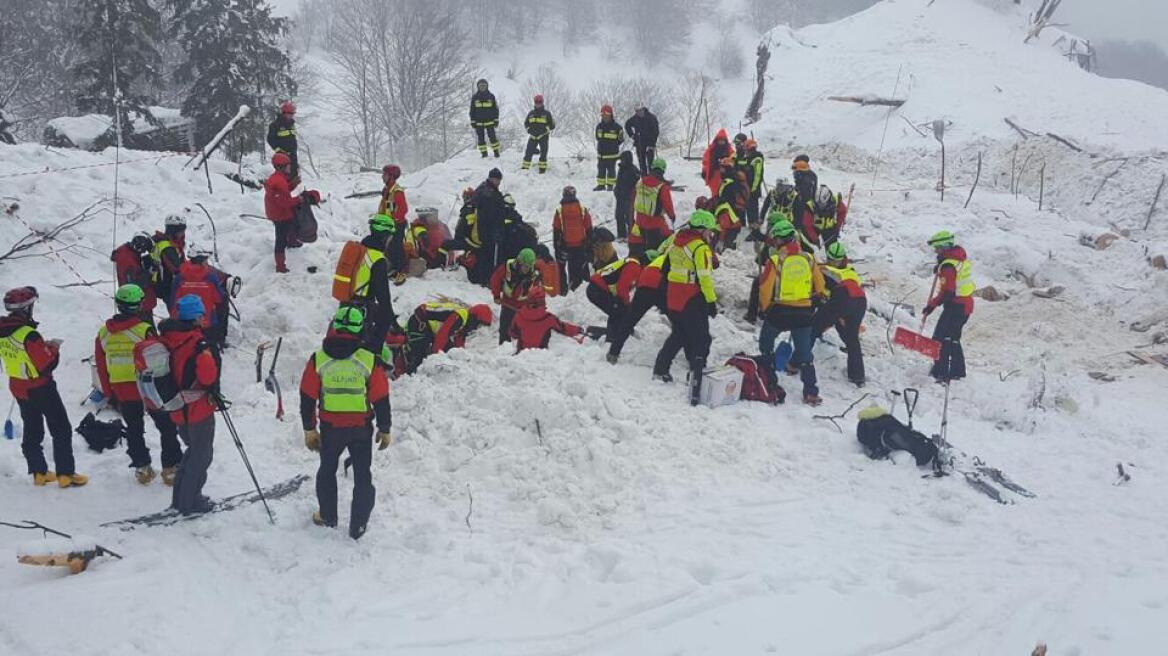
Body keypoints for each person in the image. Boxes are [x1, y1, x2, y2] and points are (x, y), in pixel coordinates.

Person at [299, 306, 392, 540]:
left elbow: (307, 397)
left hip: (331, 430)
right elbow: (381, 397)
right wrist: (385, 428)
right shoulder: (368, 360)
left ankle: (328, 516)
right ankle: (358, 526)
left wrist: (309, 429)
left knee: (327, 471)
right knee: (363, 476)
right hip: (361, 429)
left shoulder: (318, 359)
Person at [95, 284, 182, 485]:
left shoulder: (103, 333)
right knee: (166, 426)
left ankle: (142, 468)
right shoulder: (144, 330)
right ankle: (170, 468)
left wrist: (108, 392)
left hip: (121, 388)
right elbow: (159, 359)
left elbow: (101, 364)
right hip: (146, 386)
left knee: (134, 428)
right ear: (139, 304)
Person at [0, 287, 86, 488]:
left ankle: (39, 472)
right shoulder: (29, 334)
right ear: (26, 309)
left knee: (32, 428)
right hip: (40, 386)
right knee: (61, 428)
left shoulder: (3, 331)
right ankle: (66, 474)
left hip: (18, 386)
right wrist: (53, 349)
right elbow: (47, 365)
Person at [160, 294, 220, 514]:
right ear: (196, 317)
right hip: (197, 408)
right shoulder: (197, 344)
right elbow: (207, 377)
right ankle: (190, 502)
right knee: (201, 454)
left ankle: (181, 498)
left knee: (192, 450)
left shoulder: (168, 337)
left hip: (176, 407)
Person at [757, 219, 826, 406]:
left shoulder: (774, 260)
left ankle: (769, 379)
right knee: (805, 353)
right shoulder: (809, 259)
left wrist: (764, 309)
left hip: (779, 312)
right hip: (804, 313)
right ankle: (811, 392)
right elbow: (820, 286)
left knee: (766, 343)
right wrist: (815, 299)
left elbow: (764, 288)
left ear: (780, 240)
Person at [653, 211, 719, 405]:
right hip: (691, 297)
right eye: (710, 231)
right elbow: (705, 277)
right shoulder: (700, 249)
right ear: (703, 230)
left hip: (674, 295)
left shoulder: (676, 242)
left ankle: (660, 368)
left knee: (680, 335)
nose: (711, 235)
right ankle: (697, 380)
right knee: (702, 338)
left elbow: (664, 266)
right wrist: (711, 301)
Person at [606, 243, 672, 363]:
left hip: (644, 283)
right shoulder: (679, 259)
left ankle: (613, 352)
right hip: (660, 285)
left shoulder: (659, 259)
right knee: (678, 321)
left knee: (629, 320)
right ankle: (689, 354)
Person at [923, 231, 974, 383]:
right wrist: (941, 268)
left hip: (956, 306)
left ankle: (941, 373)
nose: (935, 251)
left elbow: (948, 292)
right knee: (953, 338)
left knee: (941, 338)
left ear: (944, 247)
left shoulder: (948, 266)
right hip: (965, 305)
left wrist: (932, 305)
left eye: (937, 248)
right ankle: (957, 371)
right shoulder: (958, 259)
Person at [813, 241, 867, 386]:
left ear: (843, 259)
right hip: (859, 302)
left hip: (842, 300)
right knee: (851, 338)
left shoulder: (829, 271)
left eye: (836, 260)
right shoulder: (851, 272)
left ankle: (798, 360)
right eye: (831, 260)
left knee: (814, 326)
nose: (833, 263)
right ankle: (857, 376)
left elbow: (827, 284)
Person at [399, 301, 494, 374]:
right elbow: (444, 334)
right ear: (475, 318)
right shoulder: (461, 315)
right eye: (479, 324)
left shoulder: (464, 322)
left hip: (427, 327)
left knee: (448, 350)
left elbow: (459, 342)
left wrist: (462, 360)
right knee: (419, 355)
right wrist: (435, 356)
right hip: (419, 321)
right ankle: (409, 378)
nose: (477, 328)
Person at [265, 152, 320, 273]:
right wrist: (299, 199)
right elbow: (284, 202)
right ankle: (280, 266)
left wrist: (293, 184)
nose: (290, 167)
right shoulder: (278, 182)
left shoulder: (278, 178)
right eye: (288, 165)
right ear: (281, 167)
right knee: (281, 239)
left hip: (276, 211)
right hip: (279, 214)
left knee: (291, 224)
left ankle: (292, 242)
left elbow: (283, 193)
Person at [351, 214, 399, 348]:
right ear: (384, 236)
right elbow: (383, 296)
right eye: (390, 236)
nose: (390, 240)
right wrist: (391, 321)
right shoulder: (377, 259)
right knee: (384, 320)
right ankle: (374, 353)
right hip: (364, 305)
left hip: (348, 300)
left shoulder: (359, 249)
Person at [171, 250, 231, 349]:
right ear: (202, 262)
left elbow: (174, 301)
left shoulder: (179, 278)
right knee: (209, 353)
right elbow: (219, 299)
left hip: (185, 323)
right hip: (208, 322)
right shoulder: (211, 277)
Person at [587, 249, 642, 343]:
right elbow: (622, 288)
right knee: (617, 311)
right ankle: (611, 339)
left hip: (597, 288)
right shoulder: (634, 267)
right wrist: (627, 304)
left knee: (619, 310)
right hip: (596, 290)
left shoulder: (631, 263)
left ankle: (614, 335)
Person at [490, 247, 542, 344]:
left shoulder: (534, 275)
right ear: (519, 262)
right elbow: (495, 280)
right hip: (507, 303)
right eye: (525, 266)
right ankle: (503, 348)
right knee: (505, 329)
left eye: (529, 267)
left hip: (523, 306)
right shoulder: (507, 268)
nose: (527, 269)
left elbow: (537, 292)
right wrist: (496, 295)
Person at [629, 158, 676, 259]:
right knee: (653, 253)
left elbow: (632, 199)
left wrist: (631, 219)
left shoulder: (640, 183)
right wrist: (672, 216)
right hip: (654, 225)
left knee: (637, 249)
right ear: (663, 170)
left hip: (639, 221)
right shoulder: (662, 187)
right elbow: (668, 205)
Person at [509, 287, 584, 351]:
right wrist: (578, 329)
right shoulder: (548, 318)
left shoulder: (519, 315)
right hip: (541, 355)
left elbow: (513, 333)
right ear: (541, 301)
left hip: (521, 355)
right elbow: (563, 328)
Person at [552, 186, 594, 292]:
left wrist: (557, 248)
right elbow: (589, 228)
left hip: (566, 246)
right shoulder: (582, 209)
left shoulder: (559, 211)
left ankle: (564, 290)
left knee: (564, 268)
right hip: (581, 245)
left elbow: (556, 231)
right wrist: (589, 245)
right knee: (582, 268)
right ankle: (583, 289)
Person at [111, 232, 159, 316]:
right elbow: (132, 285)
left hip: (137, 303)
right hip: (134, 304)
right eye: (144, 250)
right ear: (140, 246)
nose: (143, 252)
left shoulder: (130, 253)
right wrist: (149, 272)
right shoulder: (127, 259)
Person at [473, 168, 507, 284]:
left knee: (486, 254)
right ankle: (487, 279)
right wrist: (497, 230)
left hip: (485, 229)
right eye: (498, 180)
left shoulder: (484, 190)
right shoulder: (489, 194)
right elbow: (493, 215)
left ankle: (485, 278)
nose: (499, 183)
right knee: (489, 255)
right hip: (488, 230)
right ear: (493, 179)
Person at [376, 164, 409, 284]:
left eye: (384, 174)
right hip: (387, 225)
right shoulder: (387, 190)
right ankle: (394, 269)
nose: (382, 177)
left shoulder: (397, 191)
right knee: (388, 248)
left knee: (396, 248)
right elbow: (388, 207)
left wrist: (393, 220)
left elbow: (403, 209)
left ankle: (403, 271)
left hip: (397, 225)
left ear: (391, 176)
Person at [151, 215, 187, 311]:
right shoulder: (167, 248)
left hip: (165, 284)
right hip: (170, 287)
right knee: (179, 316)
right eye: (181, 230)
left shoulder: (168, 243)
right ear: (173, 231)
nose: (183, 233)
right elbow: (177, 269)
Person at [795, 185, 848, 251]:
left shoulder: (836, 202)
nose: (820, 207)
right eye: (818, 204)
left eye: (822, 204)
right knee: (807, 244)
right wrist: (815, 239)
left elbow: (843, 211)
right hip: (815, 227)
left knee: (832, 248)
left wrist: (837, 226)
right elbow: (807, 225)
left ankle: (834, 259)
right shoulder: (810, 206)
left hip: (830, 227)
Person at [713, 157, 747, 251]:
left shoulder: (731, 184)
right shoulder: (729, 181)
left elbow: (727, 204)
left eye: (723, 168)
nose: (721, 170)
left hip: (730, 221)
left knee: (726, 248)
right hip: (729, 220)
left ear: (728, 169)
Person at [522, 95, 555, 173]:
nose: (538, 104)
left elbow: (552, 125)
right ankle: (524, 170)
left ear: (542, 102)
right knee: (528, 153)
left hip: (543, 136)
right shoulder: (531, 113)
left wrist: (547, 128)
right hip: (533, 137)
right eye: (536, 102)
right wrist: (528, 129)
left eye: (539, 102)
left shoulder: (547, 114)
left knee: (543, 154)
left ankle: (542, 171)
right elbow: (526, 123)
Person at [266, 101, 298, 180]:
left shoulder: (291, 124)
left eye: (292, 114)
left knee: (294, 175)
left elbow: (292, 138)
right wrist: (279, 150)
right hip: (282, 156)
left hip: (293, 155)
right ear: (284, 113)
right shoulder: (275, 125)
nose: (291, 116)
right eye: (290, 114)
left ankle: (292, 190)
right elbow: (270, 139)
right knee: (284, 176)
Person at [594, 105, 624, 190]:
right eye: (603, 115)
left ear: (611, 115)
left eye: (606, 115)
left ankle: (610, 186)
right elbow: (597, 137)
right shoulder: (599, 126)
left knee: (611, 171)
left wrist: (612, 146)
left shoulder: (617, 127)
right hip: (601, 155)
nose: (604, 117)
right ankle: (601, 185)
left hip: (612, 155)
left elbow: (621, 140)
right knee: (601, 171)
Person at [469, 78, 501, 158]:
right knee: (481, 139)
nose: (482, 87)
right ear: (478, 87)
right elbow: (472, 110)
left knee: (493, 138)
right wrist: (472, 121)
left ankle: (496, 152)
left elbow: (495, 109)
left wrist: (496, 120)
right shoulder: (475, 97)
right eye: (481, 86)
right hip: (478, 122)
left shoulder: (491, 96)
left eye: (484, 85)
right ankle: (484, 154)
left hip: (490, 122)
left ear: (487, 86)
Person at [624, 105, 659, 174]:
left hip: (650, 144)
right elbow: (627, 125)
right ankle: (644, 178)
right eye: (637, 111)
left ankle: (652, 178)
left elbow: (656, 131)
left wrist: (652, 143)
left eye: (640, 110)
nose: (639, 113)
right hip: (639, 143)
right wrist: (632, 135)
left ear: (643, 109)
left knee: (650, 163)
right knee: (642, 163)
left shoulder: (651, 117)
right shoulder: (635, 118)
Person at [613, 151, 639, 241]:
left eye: (623, 159)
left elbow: (638, 185)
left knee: (629, 218)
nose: (621, 161)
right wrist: (616, 190)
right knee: (619, 216)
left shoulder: (633, 170)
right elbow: (618, 182)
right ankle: (621, 235)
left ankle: (633, 235)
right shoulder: (621, 169)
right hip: (620, 197)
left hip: (629, 198)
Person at [740, 139, 765, 227]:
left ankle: (754, 225)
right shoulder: (748, 158)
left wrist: (753, 188)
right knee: (748, 207)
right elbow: (742, 163)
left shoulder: (757, 158)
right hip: (747, 188)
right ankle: (751, 223)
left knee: (753, 207)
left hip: (753, 188)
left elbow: (758, 175)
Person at [702, 129, 734, 197]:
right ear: (717, 140)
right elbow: (705, 160)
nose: (721, 141)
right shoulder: (711, 149)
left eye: (723, 140)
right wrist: (704, 171)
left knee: (725, 193)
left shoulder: (729, 149)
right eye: (720, 139)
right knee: (715, 193)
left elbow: (734, 159)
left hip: (726, 175)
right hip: (714, 174)